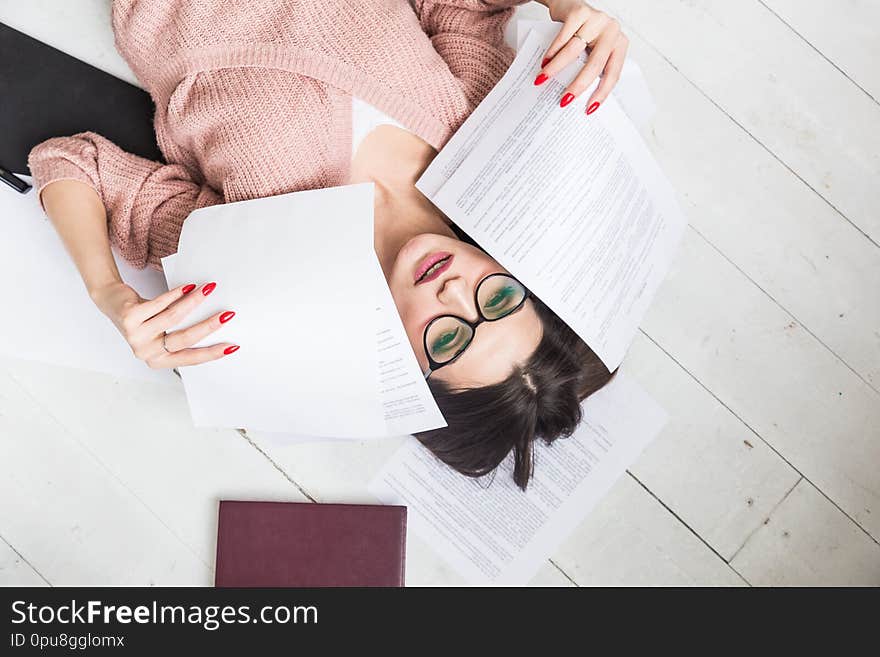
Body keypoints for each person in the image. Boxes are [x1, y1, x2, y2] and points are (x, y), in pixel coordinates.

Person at [28, 0, 628, 489]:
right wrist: (569, 6)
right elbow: (461, 7)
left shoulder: (267, 253)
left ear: (405, 369)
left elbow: (71, 164)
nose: (455, 292)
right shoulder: (477, 136)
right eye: (498, 300)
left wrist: (108, 292)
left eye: (447, 336)